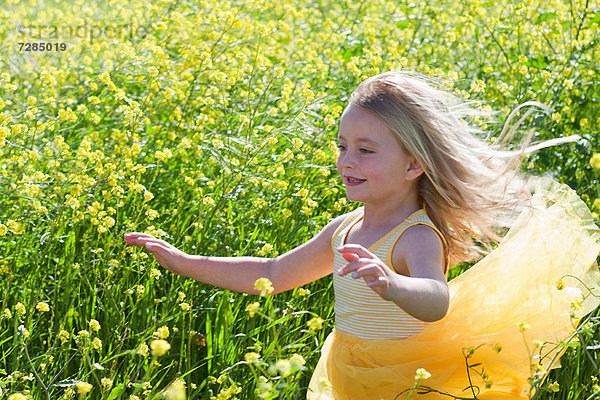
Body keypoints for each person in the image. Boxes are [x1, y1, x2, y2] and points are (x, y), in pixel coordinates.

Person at [124, 71, 600, 399]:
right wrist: (181, 259)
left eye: (366, 150)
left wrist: (391, 284)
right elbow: (272, 273)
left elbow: (435, 298)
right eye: (342, 146)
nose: (347, 161)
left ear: (413, 164)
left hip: (413, 379)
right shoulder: (346, 229)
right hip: (352, 371)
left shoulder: (415, 236)